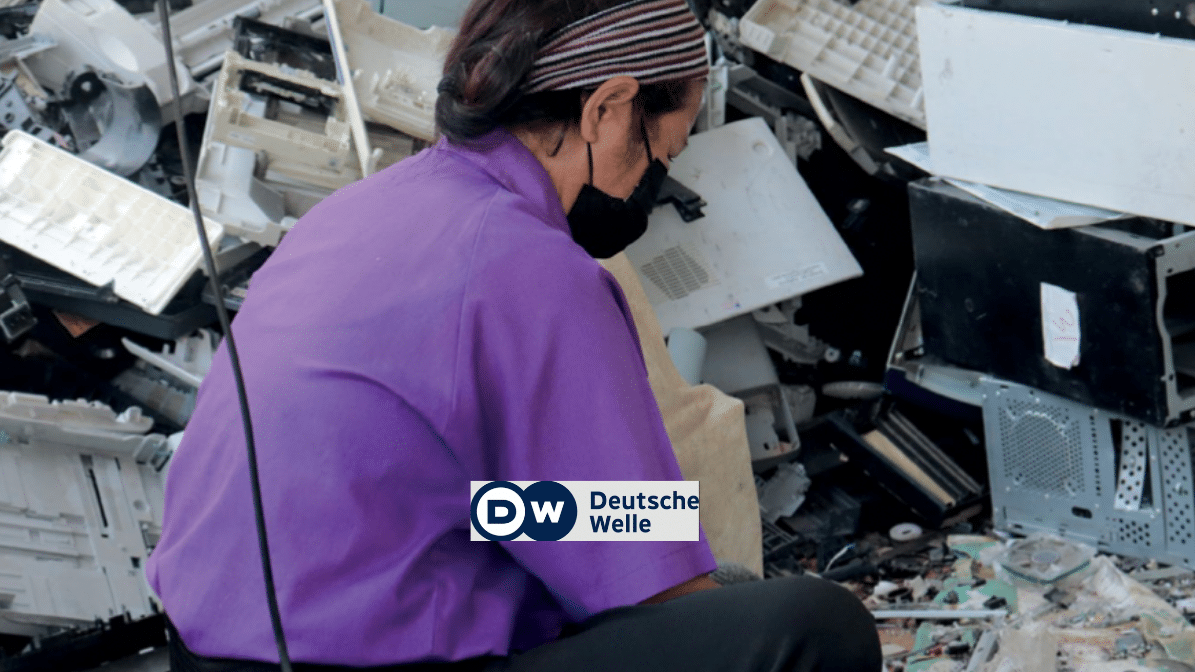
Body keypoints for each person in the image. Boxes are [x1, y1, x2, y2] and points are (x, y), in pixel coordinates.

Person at [148, 0, 883, 670]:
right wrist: (698, 569)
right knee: (808, 626)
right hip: (348, 665)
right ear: (608, 108)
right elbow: (645, 584)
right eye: (666, 151)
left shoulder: (353, 213)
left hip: (207, 650)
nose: (657, 179)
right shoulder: (527, 267)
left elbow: (480, 494)